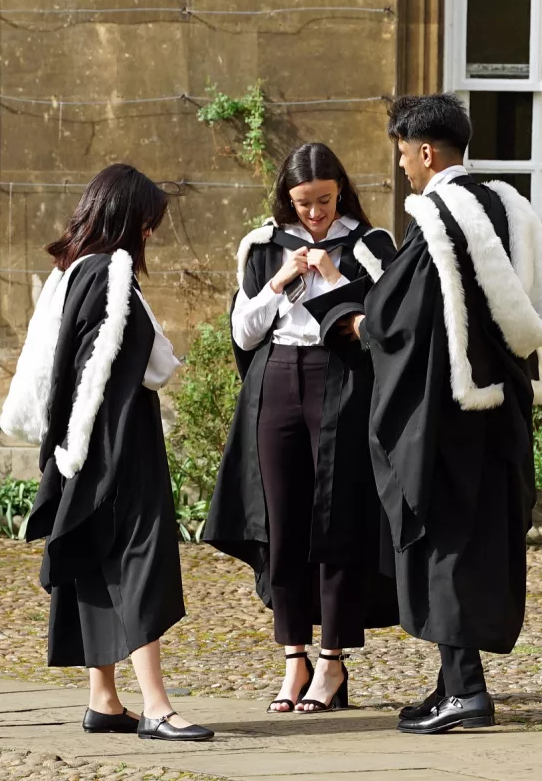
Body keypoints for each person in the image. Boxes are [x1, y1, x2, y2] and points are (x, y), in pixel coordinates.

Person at [349, 94, 542, 734]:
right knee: (474, 545)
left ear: (424, 151)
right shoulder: (508, 206)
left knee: (445, 545)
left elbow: (403, 318)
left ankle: (467, 693)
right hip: (500, 410)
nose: (403, 173)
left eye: (403, 159)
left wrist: (358, 315)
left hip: (449, 418)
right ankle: (451, 682)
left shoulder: (440, 217)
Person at [0, 163, 214, 743]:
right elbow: (140, 365)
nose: (149, 235)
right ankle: (158, 708)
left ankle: (104, 698)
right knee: (140, 560)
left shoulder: (67, 272)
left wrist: (68, 449)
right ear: (126, 220)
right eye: (147, 224)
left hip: (79, 441)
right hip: (119, 439)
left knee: (95, 556)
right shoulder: (113, 273)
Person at [202, 143, 399, 714]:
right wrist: (278, 281)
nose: (314, 214)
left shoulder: (370, 246)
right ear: (286, 199)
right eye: (302, 203)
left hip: (340, 385)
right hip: (275, 382)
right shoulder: (265, 246)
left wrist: (336, 277)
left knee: (336, 521)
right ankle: (295, 660)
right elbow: (243, 334)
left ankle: (333, 662)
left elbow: (383, 329)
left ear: (341, 190)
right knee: (281, 523)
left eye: (324, 201)